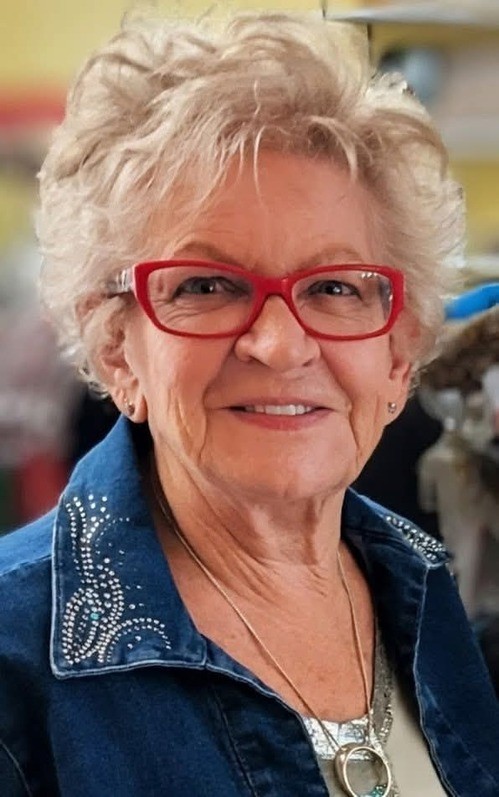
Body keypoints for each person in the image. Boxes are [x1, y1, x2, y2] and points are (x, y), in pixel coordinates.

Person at [0, 12, 498, 797]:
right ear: (118, 347)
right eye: (206, 285)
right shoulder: (14, 657)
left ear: (398, 352)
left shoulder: (428, 589)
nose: (279, 344)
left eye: (335, 287)